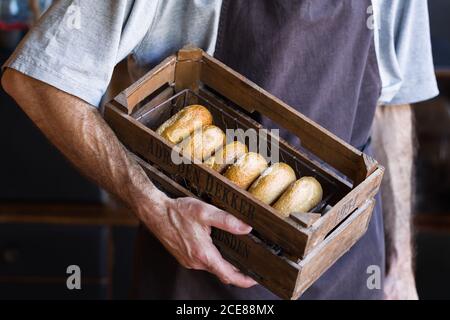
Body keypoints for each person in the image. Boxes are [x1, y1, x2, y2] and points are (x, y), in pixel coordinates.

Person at [1, 0, 438, 300]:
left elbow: (391, 105)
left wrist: (400, 269)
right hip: (201, 270)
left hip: (349, 270)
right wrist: (153, 205)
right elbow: (39, 79)